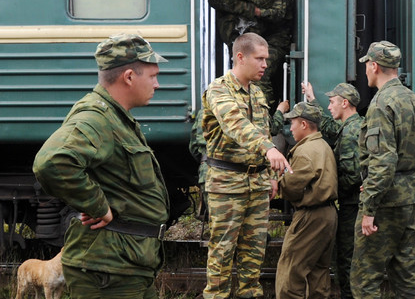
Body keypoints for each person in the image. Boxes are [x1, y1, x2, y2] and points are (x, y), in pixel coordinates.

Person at [32, 34, 169, 298]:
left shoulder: (116, 116)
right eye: (152, 76)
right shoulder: (97, 118)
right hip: (108, 270)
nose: (157, 84)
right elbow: (51, 161)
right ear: (128, 77)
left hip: (126, 263)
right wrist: (98, 206)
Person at [201, 32, 291, 299]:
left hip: (258, 183)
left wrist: (269, 174)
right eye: (260, 58)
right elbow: (236, 126)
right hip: (228, 184)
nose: (265, 65)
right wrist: (269, 149)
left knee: (254, 255)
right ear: (240, 57)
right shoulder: (219, 89)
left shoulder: (257, 92)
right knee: (222, 252)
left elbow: (262, 131)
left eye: (266, 59)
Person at [351, 41, 415, 298]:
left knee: (364, 280)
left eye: (367, 66)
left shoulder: (381, 103)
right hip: (408, 196)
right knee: (406, 275)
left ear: (374, 66)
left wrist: (369, 208)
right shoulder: (413, 98)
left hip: (385, 202)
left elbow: (383, 161)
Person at [302, 81, 363, 299]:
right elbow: (328, 125)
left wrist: (328, 191)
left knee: (346, 259)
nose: (329, 107)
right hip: (353, 204)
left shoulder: (350, 133)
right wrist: (311, 99)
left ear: (344, 103)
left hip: (353, 205)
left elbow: (354, 175)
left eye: (331, 102)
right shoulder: (351, 126)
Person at [209, 0, 293, 106]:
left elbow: (278, 15)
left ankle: (264, 112)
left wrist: (257, 12)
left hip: (275, 41)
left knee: (261, 73)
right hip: (256, 42)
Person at [275, 102, 338, 299]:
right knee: (318, 274)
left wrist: (277, 183)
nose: (290, 128)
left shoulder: (305, 151)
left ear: (304, 124)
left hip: (310, 217)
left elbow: (291, 188)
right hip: (327, 215)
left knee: (291, 272)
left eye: (292, 123)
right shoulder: (322, 145)